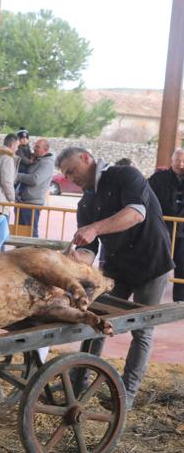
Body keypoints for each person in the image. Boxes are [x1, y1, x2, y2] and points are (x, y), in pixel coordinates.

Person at [57, 147, 173, 409]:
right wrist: (71, 262)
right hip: (116, 267)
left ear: (86, 158)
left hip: (151, 263)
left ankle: (127, 394)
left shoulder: (125, 175)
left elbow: (136, 213)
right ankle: (79, 380)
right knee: (95, 320)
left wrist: (95, 227)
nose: (71, 178)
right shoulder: (85, 202)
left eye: (72, 171)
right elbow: (88, 249)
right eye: (66, 175)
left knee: (142, 330)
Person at [149, 148, 184, 301]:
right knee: (156, 266)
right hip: (161, 231)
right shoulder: (158, 178)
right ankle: (151, 300)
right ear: (172, 160)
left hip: (183, 233)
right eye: (178, 160)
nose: (181, 164)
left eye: (183, 161)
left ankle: (180, 303)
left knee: (182, 268)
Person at [14, 139, 54, 238]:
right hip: (22, 201)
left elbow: (35, 179)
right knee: (19, 233)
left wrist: (17, 175)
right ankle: (20, 253)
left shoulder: (47, 163)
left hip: (32, 203)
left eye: (37, 147)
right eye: (34, 146)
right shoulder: (36, 160)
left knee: (31, 234)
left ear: (46, 149)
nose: (34, 149)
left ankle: (32, 253)